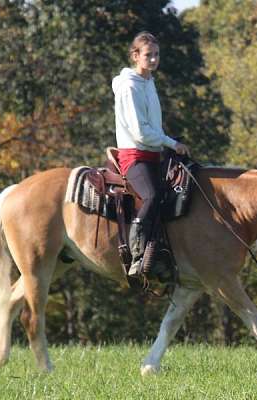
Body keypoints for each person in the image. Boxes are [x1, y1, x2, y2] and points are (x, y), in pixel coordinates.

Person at [112, 31, 190, 277]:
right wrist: (170, 143)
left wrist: (169, 142)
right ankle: (137, 252)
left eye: (156, 54)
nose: (154, 59)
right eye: (148, 55)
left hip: (152, 154)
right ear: (135, 56)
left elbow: (152, 128)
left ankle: (160, 253)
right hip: (134, 156)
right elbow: (141, 132)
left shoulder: (148, 82)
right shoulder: (129, 87)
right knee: (152, 196)